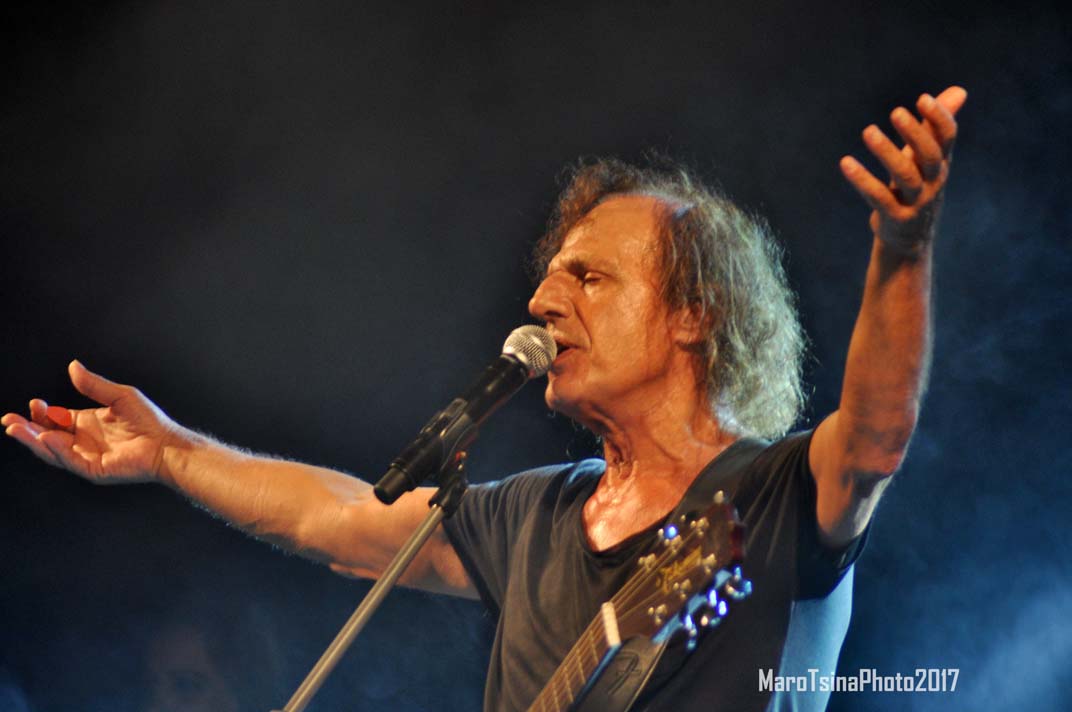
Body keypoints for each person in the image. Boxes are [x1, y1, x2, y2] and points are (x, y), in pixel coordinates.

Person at [3, 86, 965, 711]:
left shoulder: (770, 498)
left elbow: (874, 439)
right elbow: (336, 517)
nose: (544, 299)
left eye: (590, 278)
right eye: (549, 277)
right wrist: (170, 451)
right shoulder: (535, 513)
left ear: (693, 315)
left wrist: (902, 250)